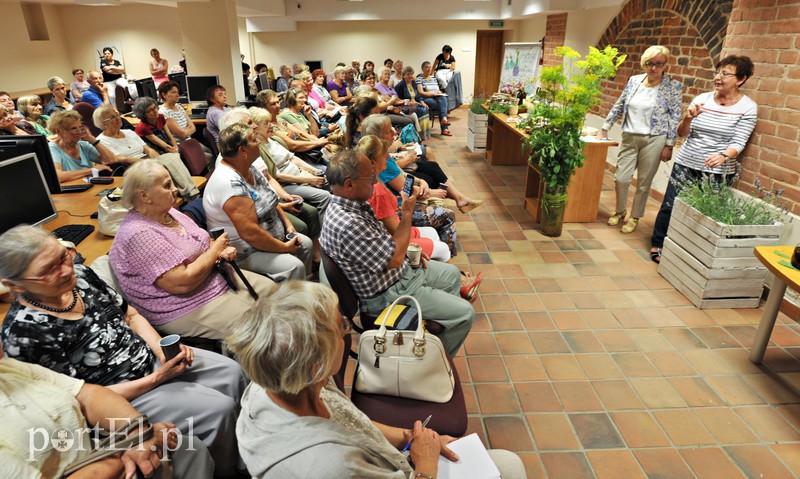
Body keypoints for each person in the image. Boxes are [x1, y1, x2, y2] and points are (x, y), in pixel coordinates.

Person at [0, 225, 249, 477]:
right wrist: (155, 379)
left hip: (151, 361)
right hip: (123, 395)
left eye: (63, 257)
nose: (65, 270)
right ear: (15, 285)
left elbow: (130, 315)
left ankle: (246, 452)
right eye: (48, 271)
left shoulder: (81, 275)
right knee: (219, 410)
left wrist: (161, 351)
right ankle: (228, 470)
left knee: (232, 372)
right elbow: (78, 399)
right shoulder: (25, 334)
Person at [229, 280, 527, 478]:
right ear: (316, 364)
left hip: (395, 459)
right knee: (510, 467)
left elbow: (350, 420)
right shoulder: (334, 466)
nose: (346, 332)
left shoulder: (278, 381)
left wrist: (411, 438)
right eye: (341, 327)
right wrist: (424, 463)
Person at [320, 150, 479, 356]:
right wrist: (406, 214)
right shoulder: (349, 224)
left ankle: (427, 338)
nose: (375, 180)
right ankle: (432, 362)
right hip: (387, 293)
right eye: (370, 177)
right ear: (349, 185)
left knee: (450, 276)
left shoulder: (350, 205)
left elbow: (385, 247)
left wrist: (405, 251)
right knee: (465, 314)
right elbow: (393, 259)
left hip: (395, 277)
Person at [110, 160, 274, 340]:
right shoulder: (139, 234)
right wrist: (215, 250)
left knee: (275, 295)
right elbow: (181, 283)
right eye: (167, 185)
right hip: (181, 305)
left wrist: (217, 250)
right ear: (145, 196)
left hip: (213, 279)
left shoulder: (169, 212)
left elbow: (203, 241)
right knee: (256, 326)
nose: (175, 189)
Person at [0, 342, 214, 479]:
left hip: (100, 453)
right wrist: (127, 447)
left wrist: (138, 432)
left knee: (190, 448)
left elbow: (89, 395)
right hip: (102, 465)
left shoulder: (9, 369)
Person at [650, 55, 758, 264]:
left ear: (741, 79)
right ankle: (658, 243)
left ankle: (687, 248)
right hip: (686, 162)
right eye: (718, 72)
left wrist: (723, 155)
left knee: (703, 211)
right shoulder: (702, 99)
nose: (718, 77)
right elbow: (682, 133)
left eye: (725, 74)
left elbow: (739, 141)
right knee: (670, 205)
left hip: (717, 170)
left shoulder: (748, 107)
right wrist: (688, 117)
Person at [204, 123, 313, 281]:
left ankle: (304, 290)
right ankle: (290, 301)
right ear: (243, 150)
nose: (259, 142)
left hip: (270, 237)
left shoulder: (247, 167)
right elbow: (251, 235)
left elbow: (270, 199)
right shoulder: (229, 183)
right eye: (254, 140)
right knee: (294, 266)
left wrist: (287, 223)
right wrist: (284, 247)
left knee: (306, 244)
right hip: (245, 252)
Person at [597, 45, 682, 234]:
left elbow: (675, 116)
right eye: (649, 63)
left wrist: (669, 145)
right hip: (630, 135)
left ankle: (635, 216)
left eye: (658, 64)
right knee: (621, 178)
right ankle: (620, 211)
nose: (653, 68)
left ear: (665, 64)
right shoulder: (634, 81)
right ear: (644, 64)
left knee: (644, 182)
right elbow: (619, 104)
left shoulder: (673, 86)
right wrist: (604, 128)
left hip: (655, 139)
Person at [357, 135, 451, 262]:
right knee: (443, 248)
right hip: (393, 242)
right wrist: (407, 209)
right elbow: (396, 232)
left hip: (394, 230)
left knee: (432, 233)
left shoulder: (373, 180)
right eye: (384, 154)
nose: (388, 157)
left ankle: (443, 270)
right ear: (373, 162)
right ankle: (453, 275)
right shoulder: (377, 191)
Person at [94, 105, 199, 201]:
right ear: (103, 124)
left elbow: (148, 150)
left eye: (117, 114)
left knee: (170, 157)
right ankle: (189, 194)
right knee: (168, 161)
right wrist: (151, 164)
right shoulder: (102, 141)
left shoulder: (129, 132)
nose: (118, 118)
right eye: (112, 117)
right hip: (132, 168)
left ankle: (186, 193)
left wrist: (156, 162)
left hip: (148, 160)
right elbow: (123, 159)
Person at [47, 110, 120, 182]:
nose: (79, 131)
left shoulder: (83, 145)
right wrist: (91, 170)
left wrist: (92, 139)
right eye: (74, 128)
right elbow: (58, 176)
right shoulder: (53, 148)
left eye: (80, 127)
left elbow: (112, 161)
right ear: (58, 131)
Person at [394, 66, 433, 139]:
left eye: (411, 74)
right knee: (422, 110)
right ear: (404, 76)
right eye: (408, 74)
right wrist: (409, 103)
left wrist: (422, 102)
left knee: (425, 108)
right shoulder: (400, 86)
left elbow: (418, 96)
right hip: (405, 106)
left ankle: (425, 133)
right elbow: (399, 100)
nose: (410, 76)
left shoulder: (413, 83)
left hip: (415, 104)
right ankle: (420, 135)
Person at [416, 61, 451, 136]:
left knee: (443, 99)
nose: (429, 69)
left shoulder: (433, 78)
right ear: (422, 68)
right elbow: (421, 92)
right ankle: (444, 127)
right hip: (425, 99)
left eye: (430, 67)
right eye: (427, 67)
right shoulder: (419, 79)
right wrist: (432, 93)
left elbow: (437, 89)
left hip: (436, 97)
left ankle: (444, 120)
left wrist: (439, 92)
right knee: (442, 104)